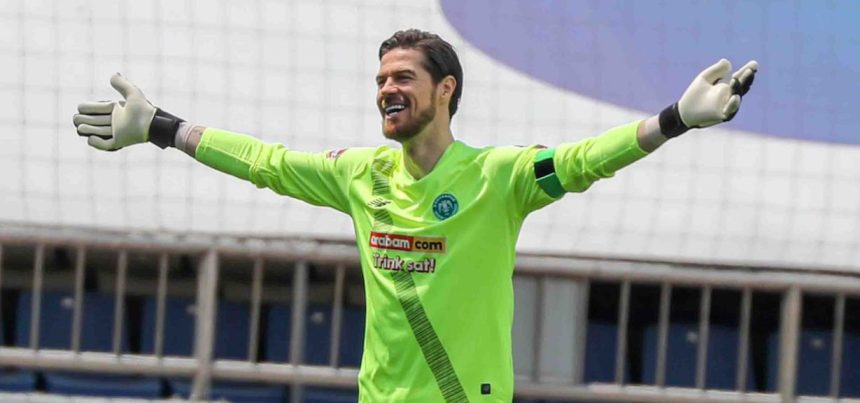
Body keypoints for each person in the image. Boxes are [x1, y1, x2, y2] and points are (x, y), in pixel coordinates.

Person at [73, 29, 757, 403]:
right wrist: (163, 127)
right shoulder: (359, 174)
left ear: (445, 89)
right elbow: (266, 162)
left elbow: (585, 160)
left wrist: (675, 119)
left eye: (402, 77)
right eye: (380, 80)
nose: (386, 90)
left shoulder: (499, 176)